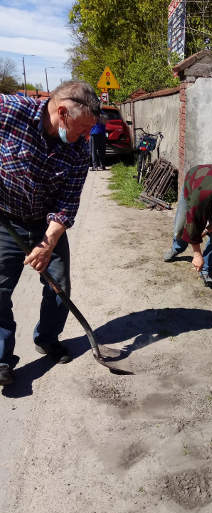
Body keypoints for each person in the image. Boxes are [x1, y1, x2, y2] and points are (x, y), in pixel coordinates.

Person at [0, 80, 100, 385]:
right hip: (6, 221)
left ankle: (47, 338)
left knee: (59, 288)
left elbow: (68, 201)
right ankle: (2, 359)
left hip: (46, 224)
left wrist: (47, 243)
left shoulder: (79, 152)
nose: (87, 137)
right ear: (61, 113)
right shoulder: (9, 111)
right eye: (82, 129)